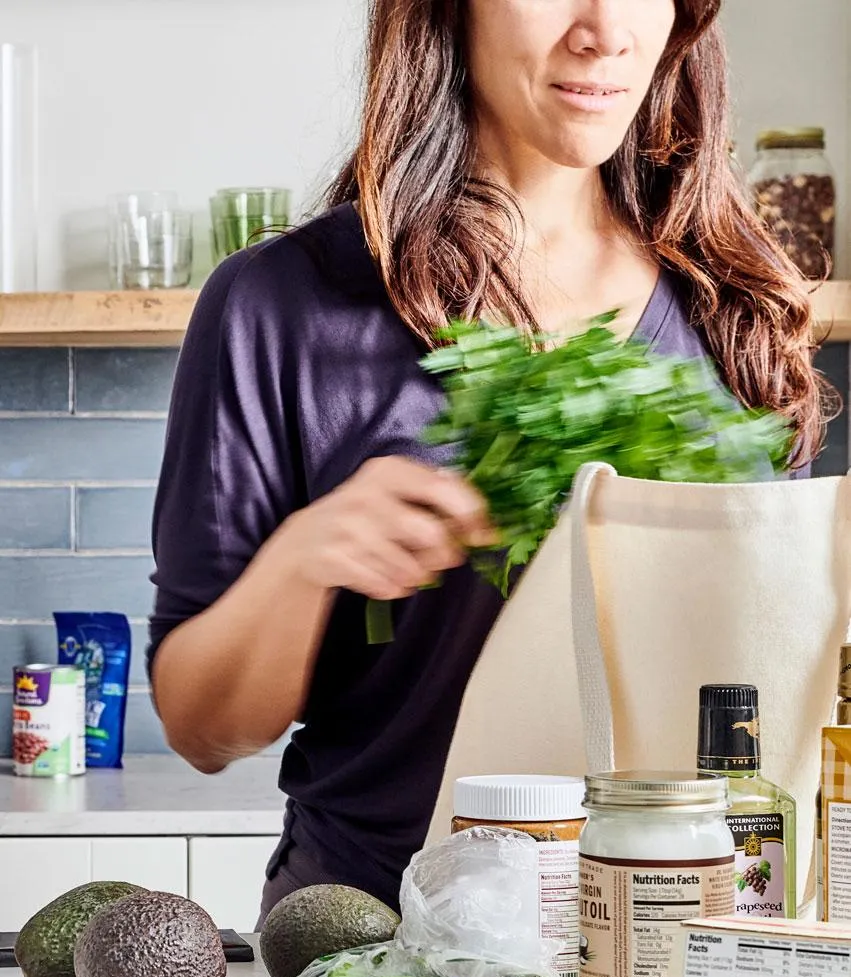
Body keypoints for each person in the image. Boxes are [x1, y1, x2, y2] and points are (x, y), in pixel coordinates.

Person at [148, 0, 830, 924]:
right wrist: (304, 561)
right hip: (379, 942)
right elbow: (200, 726)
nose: (604, 29)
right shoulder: (286, 305)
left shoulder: (732, 306)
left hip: (690, 932)